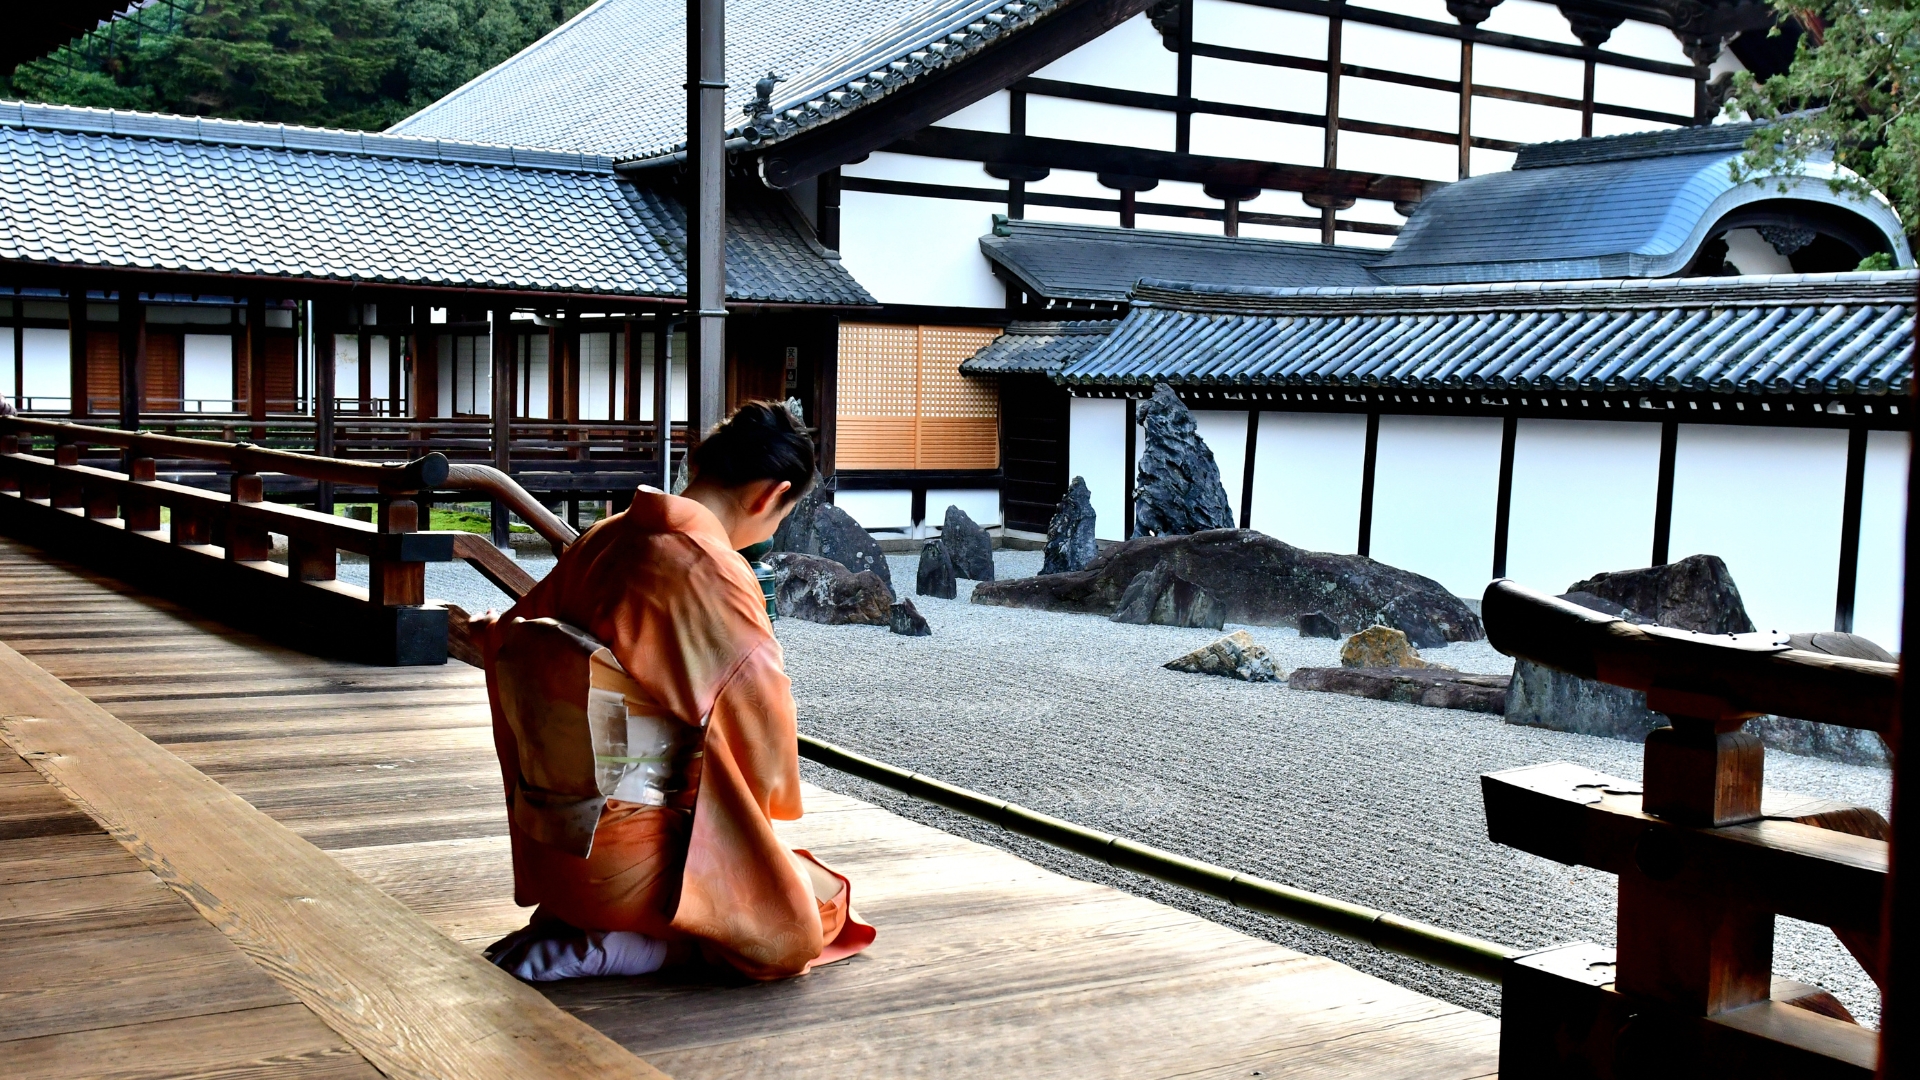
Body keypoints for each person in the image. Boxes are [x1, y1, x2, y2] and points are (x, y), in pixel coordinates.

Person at [479, 402, 873, 981]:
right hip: (629, 868)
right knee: (814, 917)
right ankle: (621, 946)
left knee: (793, 875)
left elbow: (507, 642)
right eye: (781, 516)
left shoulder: (603, 538)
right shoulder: (712, 571)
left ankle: (581, 922)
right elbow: (765, 746)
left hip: (553, 851)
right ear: (770, 496)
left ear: (698, 461)